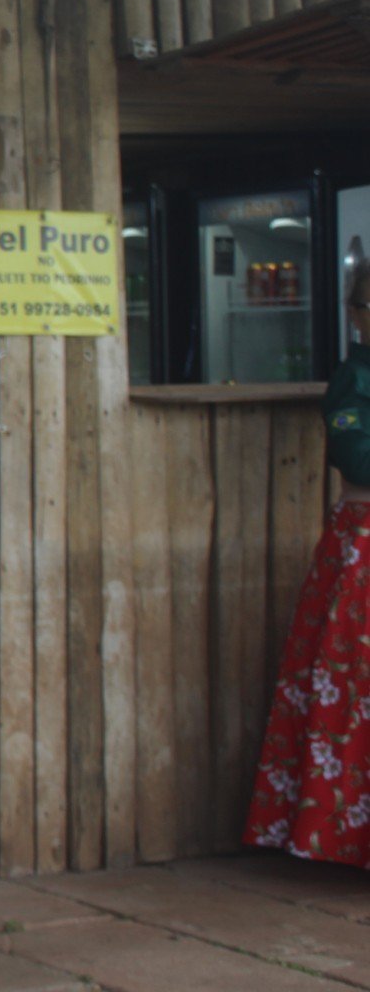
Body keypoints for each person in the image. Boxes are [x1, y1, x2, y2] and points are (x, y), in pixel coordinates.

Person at [245, 261, 370, 869]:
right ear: (356, 316)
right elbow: (356, 454)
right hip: (363, 547)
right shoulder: (354, 378)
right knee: (354, 690)